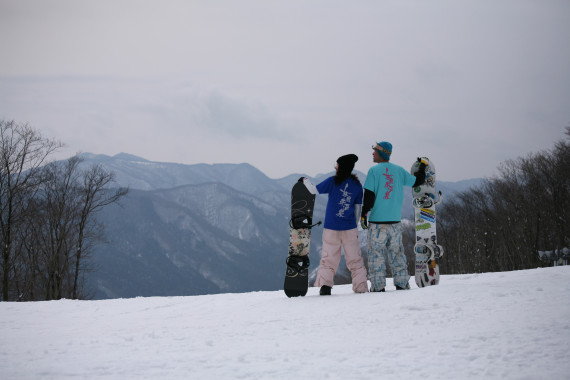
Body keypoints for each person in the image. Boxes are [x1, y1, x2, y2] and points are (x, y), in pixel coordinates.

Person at [361, 141, 426, 292]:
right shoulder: (399, 171)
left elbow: (369, 196)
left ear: (382, 153)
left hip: (377, 223)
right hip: (395, 223)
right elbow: (418, 181)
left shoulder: (373, 171)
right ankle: (402, 284)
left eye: (375, 150)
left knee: (376, 256)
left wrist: (364, 214)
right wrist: (422, 167)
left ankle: (378, 287)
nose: (373, 153)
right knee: (397, 255)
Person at [313, 154, 369, 295]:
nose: (335, 167)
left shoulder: (333, 181)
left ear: (340, 167)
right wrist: (353, 224)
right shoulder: (357, 185)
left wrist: (305, 182)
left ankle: (325, 286)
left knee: (328, 257)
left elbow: (314, 190)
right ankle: (361, 286)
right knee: (354, 258)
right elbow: (357, 209)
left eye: (336, 164)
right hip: (349, 228)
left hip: (331, 227)